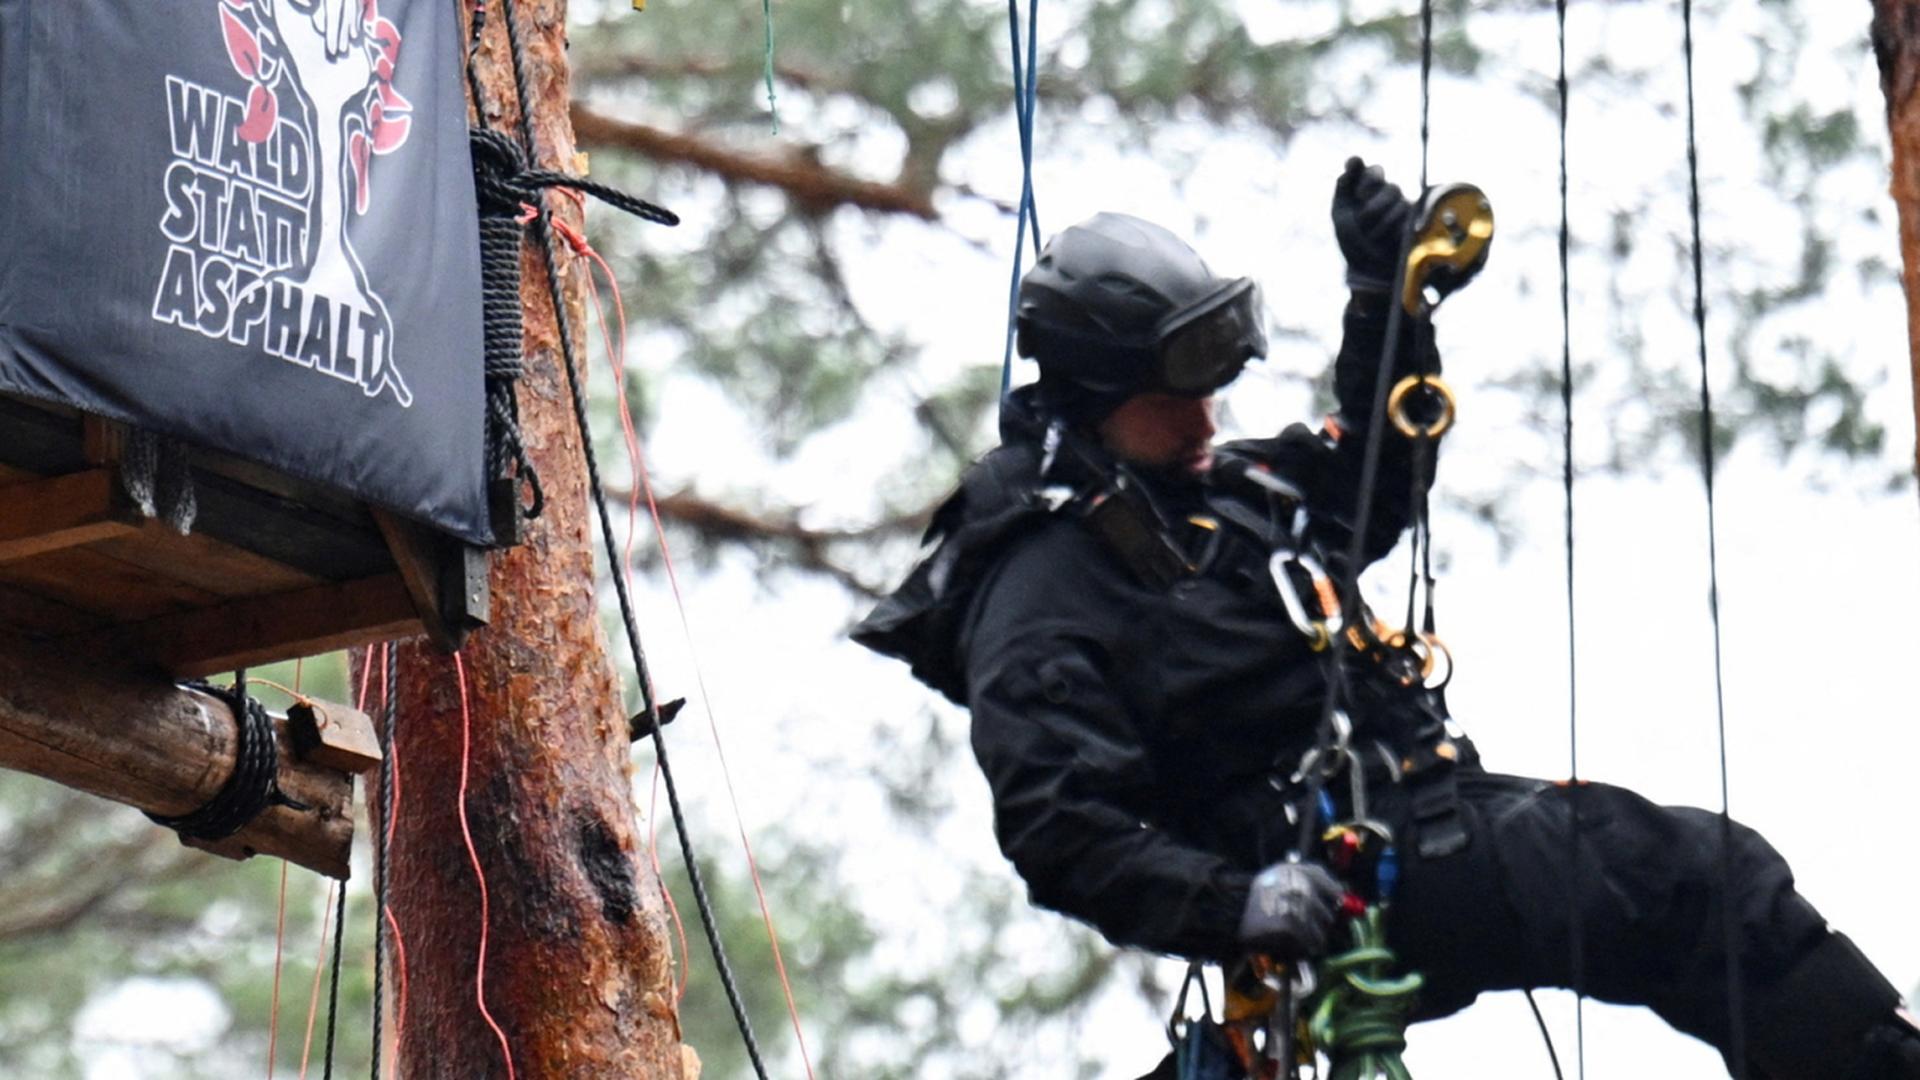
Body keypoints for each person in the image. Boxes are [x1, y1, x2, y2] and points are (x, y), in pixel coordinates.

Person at [852, 159, 1920, 1079]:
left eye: (1217, 378)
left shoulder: (1224, 493)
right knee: (1684, 878)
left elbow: (1373, 473)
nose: (1207, 413)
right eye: (1176, 388)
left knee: (1689, 899)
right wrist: (1236, 905)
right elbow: (1056, 825)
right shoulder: (1043, 579)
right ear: (1096, 393)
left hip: (1415, 826)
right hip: (1337, 872)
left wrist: (1386, 302)